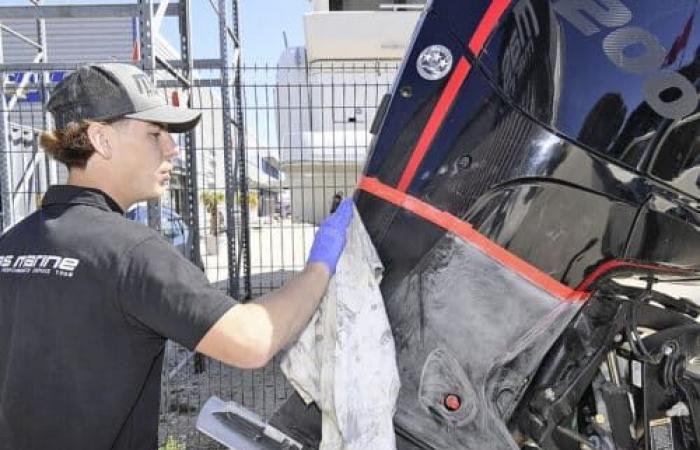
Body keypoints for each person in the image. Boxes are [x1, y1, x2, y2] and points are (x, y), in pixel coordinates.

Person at [0, 63, 353, 450]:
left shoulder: (12, 244)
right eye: (154, 133)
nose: (172, 147)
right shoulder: (130, 252)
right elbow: (253, 338)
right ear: (101, 139)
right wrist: (320, 265)